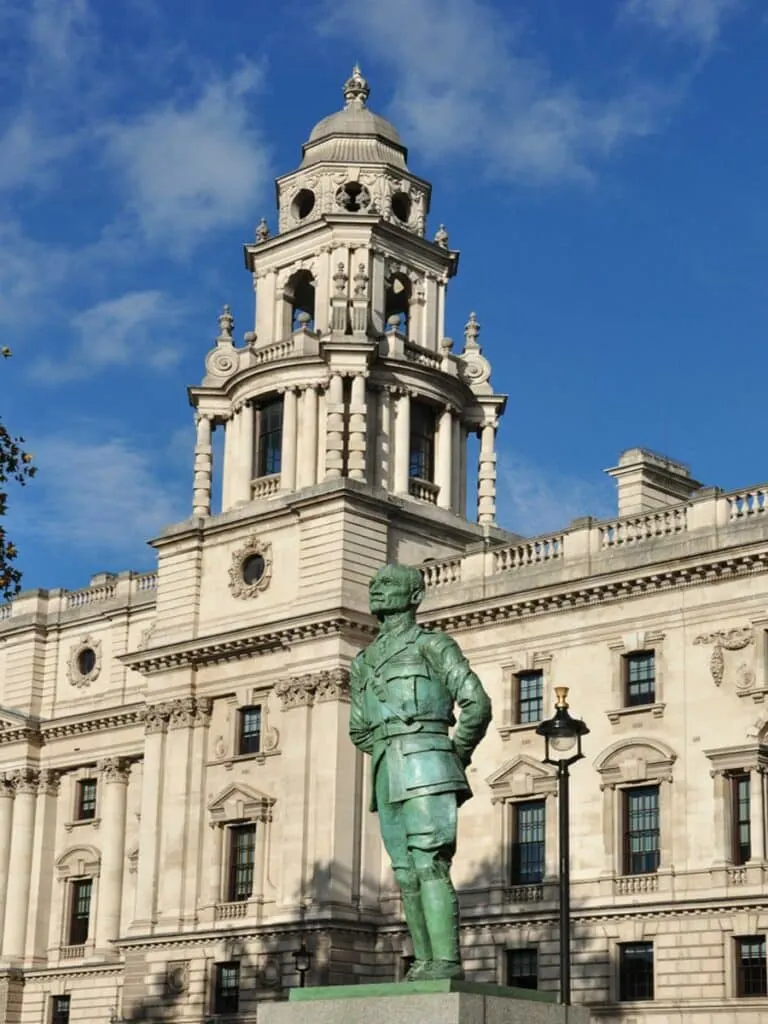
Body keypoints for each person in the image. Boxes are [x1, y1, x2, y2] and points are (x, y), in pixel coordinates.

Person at [349, 563, 492, 981]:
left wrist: (454, 754)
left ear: (415, 597)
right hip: (385, 766)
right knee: (404, 870)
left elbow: (475, 703)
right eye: (374, 583)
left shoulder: (433, 645)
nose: (377, 589)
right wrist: (384, 739)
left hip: (429, 759)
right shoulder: (364, 661)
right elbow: (358, 727)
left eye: (389, 584)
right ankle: (424, 961)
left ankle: (445, 962)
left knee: (430, 863)